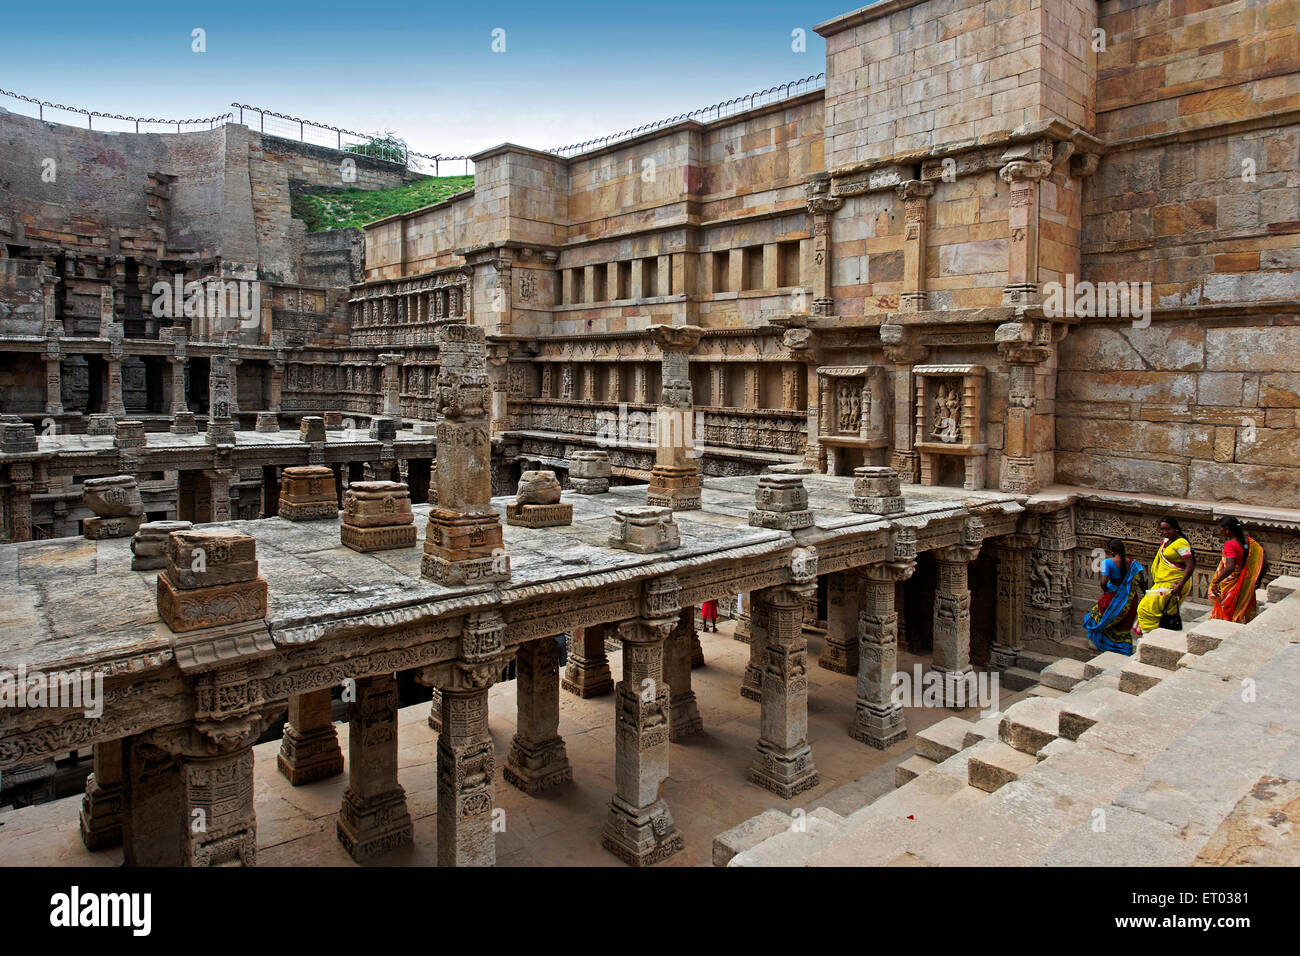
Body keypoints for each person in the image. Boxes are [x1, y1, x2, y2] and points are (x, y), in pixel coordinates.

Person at [1135, 516, 1195, 634]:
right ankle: (1156, 635)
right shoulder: (1167, 542)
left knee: (1145, 609)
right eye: (1162, 529)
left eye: (1167, 529)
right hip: (1163, 582)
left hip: (1174, 583)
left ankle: (1151, 636)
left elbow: (1190, 565)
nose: (1164, 532)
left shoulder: (1181, 543)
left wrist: (1180, 586)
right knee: (1159, 611)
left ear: (1176, 529)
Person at [1083, 538, 1145, 655]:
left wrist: (1107, 591)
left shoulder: (1108, 563)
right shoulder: (1134, 565)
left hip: (1112, 598)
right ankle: (1123, 651)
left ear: (1111, 551)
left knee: (1096, 619)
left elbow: (1103, 582)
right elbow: (1142, 584)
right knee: (1123, 628)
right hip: (1130, 600)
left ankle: (1104, 648)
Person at [1210, 516, 1265, 623]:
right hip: (1244, 582)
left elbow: (1230, 567)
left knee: (1227, 611)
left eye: (1220, 529)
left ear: (1227, 529)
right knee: (1240, 609)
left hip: (1231, 583)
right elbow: (1264, 561)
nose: (1220, 531)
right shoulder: (1249, 543)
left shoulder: (1230, 545)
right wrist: (1257, 580)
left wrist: (1215, 582)